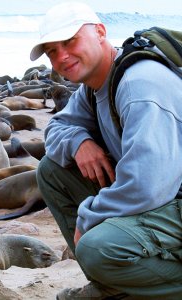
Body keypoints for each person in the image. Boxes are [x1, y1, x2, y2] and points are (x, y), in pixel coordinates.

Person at [31, 2, 182, 299]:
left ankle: (137, 282)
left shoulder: (139, 85)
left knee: (96, 247)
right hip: (166, 196)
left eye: (69, 41)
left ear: (100, 32)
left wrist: (89, 217)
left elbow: (147, 187)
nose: (61, 56)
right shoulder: (97, 85)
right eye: (51, 51)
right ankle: (118, 286)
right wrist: (79, 142)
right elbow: (55, 130)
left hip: (168, 194)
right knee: (52, 171)